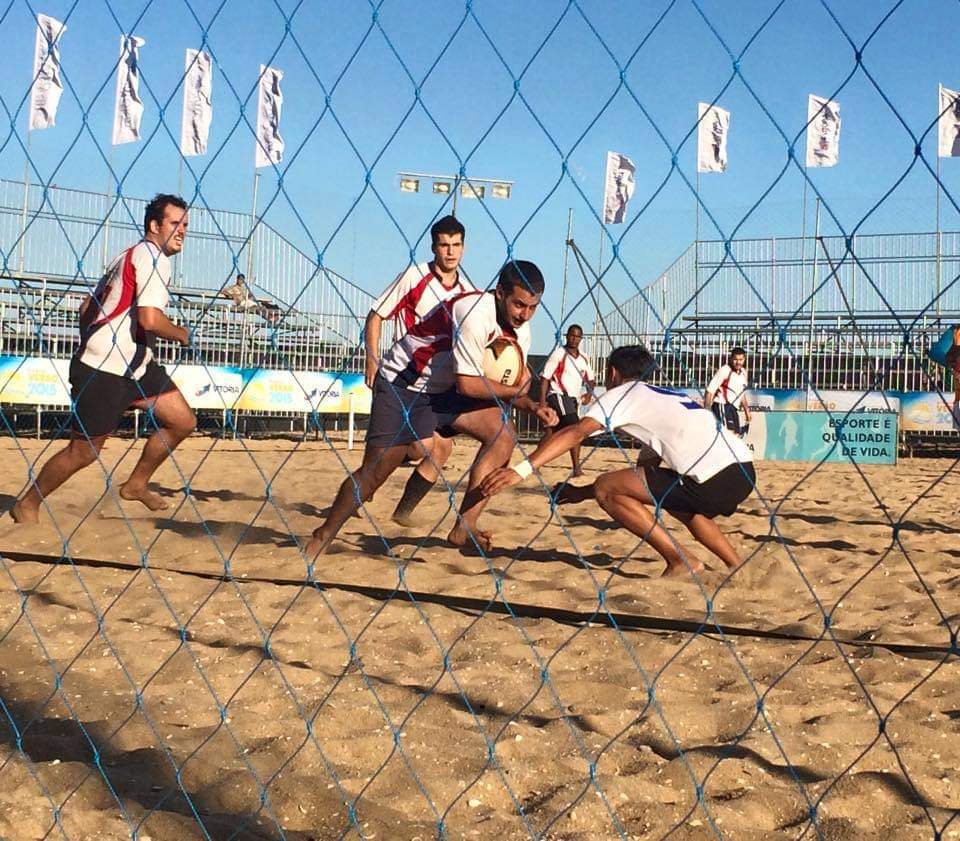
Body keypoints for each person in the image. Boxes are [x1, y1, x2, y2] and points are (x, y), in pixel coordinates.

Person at [305, 260, 557, 558]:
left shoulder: (521, 331)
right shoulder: (475, 312)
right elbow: (469, 384)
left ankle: (465, 526)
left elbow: (503, 381)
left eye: (533, 307)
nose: (525, 314)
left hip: (445, 391)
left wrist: (532, 405)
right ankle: (322, 535)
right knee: (375, 474)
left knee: (503, 435)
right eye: (519, 305)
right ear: (500, 292)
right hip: (405, 386)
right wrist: (521, 395)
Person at [482, 345, 756, 578]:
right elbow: (643, 479)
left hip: (713, 480)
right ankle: (737, 565)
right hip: (744, 471)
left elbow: (576, 432)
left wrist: (521, 470)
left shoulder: (623, 394)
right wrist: (580, 493)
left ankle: (681, 562)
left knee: (606, 486)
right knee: (675, 501)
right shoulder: (668, 397)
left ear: (613, 373)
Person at [12, 194, 195, 523]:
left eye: (185, 225)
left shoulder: (126, 255)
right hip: (104, 370)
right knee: (83, 452)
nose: (182, 231)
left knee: (183, 421)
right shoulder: (153, 258)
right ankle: (27, 503)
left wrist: (94, 339)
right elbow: (150, 320)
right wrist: (182, 333)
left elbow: (86, 309)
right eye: (175, 223)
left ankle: (135, 485)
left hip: (135, 366)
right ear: (154, 226)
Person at [363, 215, 474, 526]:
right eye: (444, 245)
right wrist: (371, 358)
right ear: (434, 247)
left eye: (456, 245)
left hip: (435, 386)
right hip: (401, 378)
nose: (450, 251)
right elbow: (375, 316)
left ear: (464, 248)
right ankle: (364, 489)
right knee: (380, 461)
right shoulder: (414, 277)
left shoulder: (469, 292)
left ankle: (403, 512)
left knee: (440, 449)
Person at [539, 324, 595, 476]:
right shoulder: (559, 354)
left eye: (577, 336)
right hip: (558, 395)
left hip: (574, 399)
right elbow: (545, 379)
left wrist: (589, 394)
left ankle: (533, 463)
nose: (574, 339)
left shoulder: (584, 357)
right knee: (575, 427)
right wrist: (542, 402)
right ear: (567, 336)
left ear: (581, 339)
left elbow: (591, 379)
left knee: (553, 430)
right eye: (572, 335)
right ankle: (577, 468)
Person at [704, 347, 751, 436]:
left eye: (740, 360)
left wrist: (746, 410)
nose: (738, 362)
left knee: (736, 435)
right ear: (731, 359)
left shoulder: (744, 373)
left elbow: (741, 393)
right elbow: (710, 390)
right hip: (722, 405)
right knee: (728, 435)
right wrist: (707, 411)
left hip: (733, 408)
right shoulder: (725, 370)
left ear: (744, 359)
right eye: (735, 359)